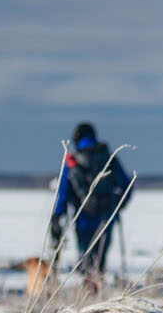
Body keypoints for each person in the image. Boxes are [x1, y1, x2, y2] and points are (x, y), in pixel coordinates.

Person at [50, 122, 132, 288]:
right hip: (106, 219)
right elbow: (127, 185)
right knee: (100, 260)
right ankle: (98, 288)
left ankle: (88, 291)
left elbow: (63, 192)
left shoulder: (72, 162)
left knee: (86, 260)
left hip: (83, 220)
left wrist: (57, 216)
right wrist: (118, 205)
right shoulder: (109, 158)